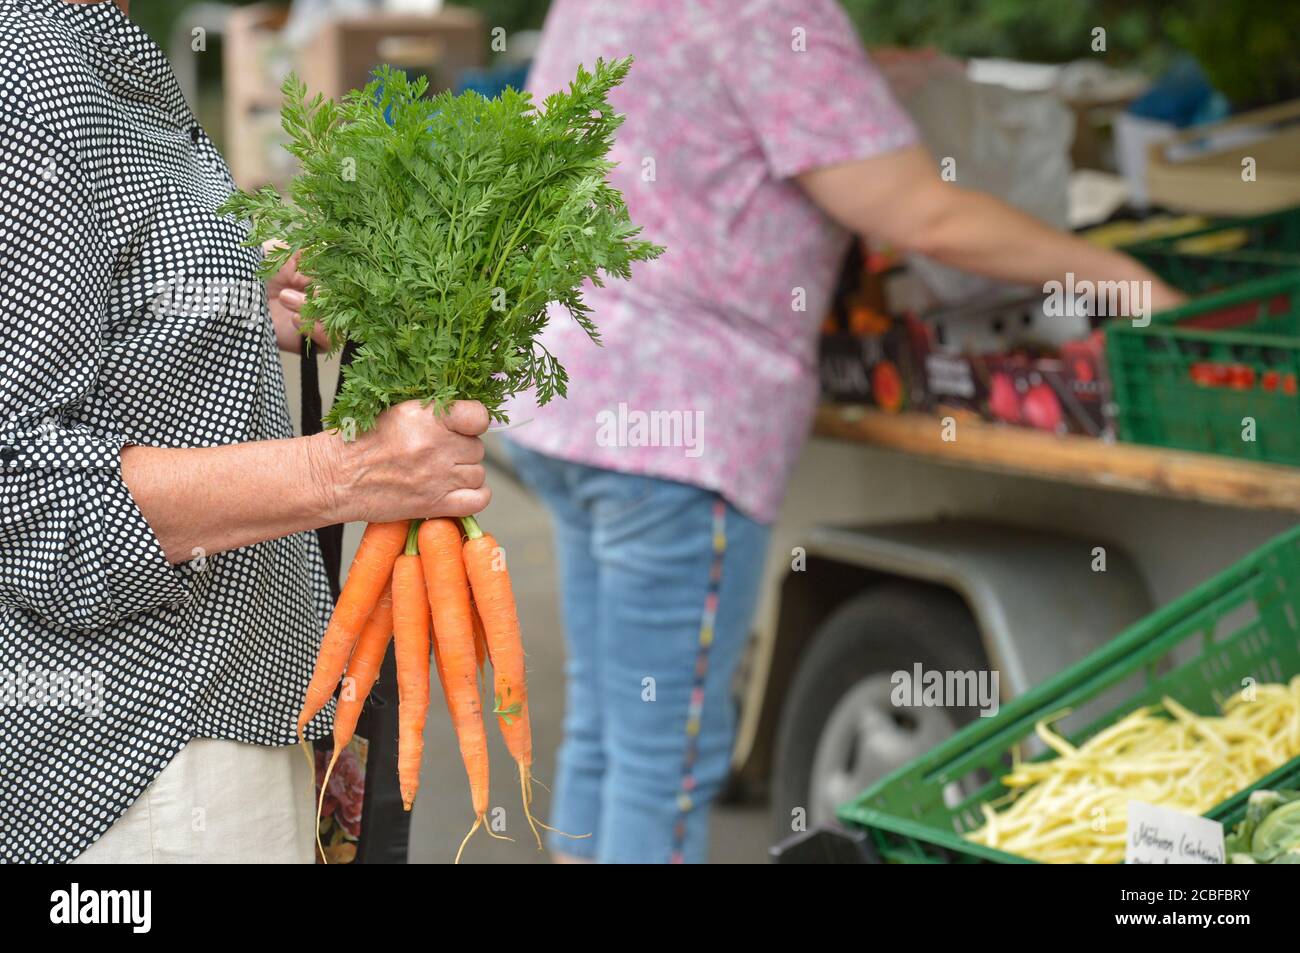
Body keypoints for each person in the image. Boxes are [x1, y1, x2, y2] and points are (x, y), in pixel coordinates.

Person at [504, 0, 1183, 864]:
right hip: (674, 432)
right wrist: (1120, 275)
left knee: (607, 725)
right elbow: (916, 212)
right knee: (662, 762)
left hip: (569, 389)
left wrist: (869, 71)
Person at [0, 0, 491, 863]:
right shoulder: (27, 72)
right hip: (143, 756)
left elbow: (95, 309)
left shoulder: (108, 47)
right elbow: (27, 486)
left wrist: (234, 300)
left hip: (235, 705)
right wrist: (353, 473)